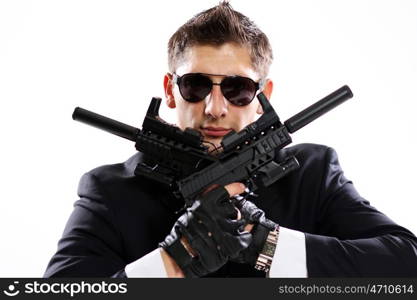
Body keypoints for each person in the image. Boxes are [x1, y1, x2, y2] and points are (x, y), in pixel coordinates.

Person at [44, 2, 417, 278]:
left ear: (262, 96)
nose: (215, 107)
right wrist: (172, 260)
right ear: (170, 91)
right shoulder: (111, 191)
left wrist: (267, 244)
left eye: (238, 88)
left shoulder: (311, 174)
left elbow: (406, 263)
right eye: (196, 85)